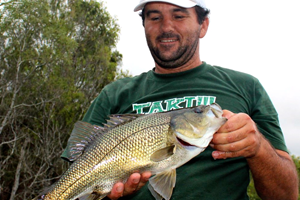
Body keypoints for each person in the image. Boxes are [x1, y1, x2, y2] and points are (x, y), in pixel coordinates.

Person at [62, 0, 299, 199]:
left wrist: (258, 148)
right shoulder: (113, 94)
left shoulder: (246, 87)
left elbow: (288, 195)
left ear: (203, 25)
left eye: (179, 15)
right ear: (144, 25)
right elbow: (76, 170)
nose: (166, 27)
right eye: (154, 17)